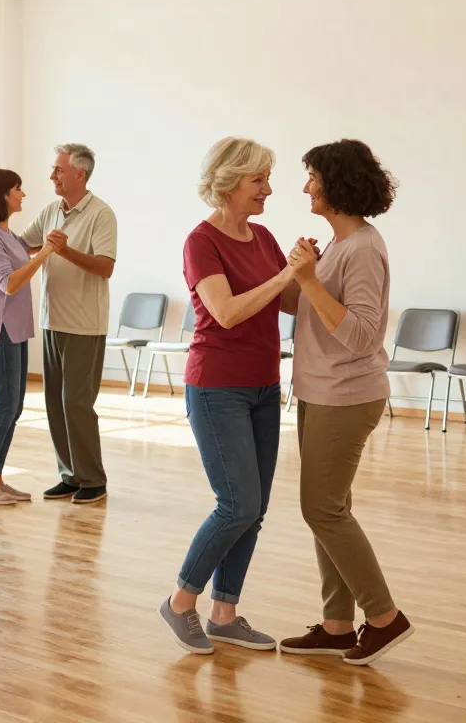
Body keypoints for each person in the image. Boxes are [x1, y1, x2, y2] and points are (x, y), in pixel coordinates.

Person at [158, 137, 306, 655]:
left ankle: (225, 613)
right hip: (217, 385)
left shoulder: (263, 237)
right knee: (236, 502)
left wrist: (307, 272)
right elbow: (226, 311)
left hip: (265, 384)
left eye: (267, 178)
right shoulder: (201, 241)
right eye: (258, 180)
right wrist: (284, 276)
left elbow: (287, 301)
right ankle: (180, 602)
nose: (268, 189)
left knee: (256, 506)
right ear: (228, 182)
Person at [277, 140, 413, 665]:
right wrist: (298, 274)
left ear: (334, 184)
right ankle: (336, 625)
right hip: (318, 389)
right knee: (330, 510)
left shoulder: (362, 248)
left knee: (322, 508)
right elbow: (306, 309)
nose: (305, 186)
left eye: (311, 176)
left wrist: (310, 280)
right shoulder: (337, 246)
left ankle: (383, 617)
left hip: (346, 395)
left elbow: (359, 335)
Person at [20, 144, 116, 505]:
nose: (52, 176)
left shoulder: (101, 214)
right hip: (52, 321)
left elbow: (105, 266)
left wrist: (63, 251)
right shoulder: (50, 212)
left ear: (80, 173)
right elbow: (23, 245)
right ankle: (71, 475)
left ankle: (94, 479)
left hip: (84, 325)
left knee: (77, 403)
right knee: (55, 403)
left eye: (59, 170)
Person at [0, 169, 58, 505]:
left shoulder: (8, 235)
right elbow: (9, 282)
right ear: (3, 195)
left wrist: (44, 249)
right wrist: (45, 254)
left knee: (13, 408)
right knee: (3, 408)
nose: (23, 194)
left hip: (15, 329)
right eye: (18, 189)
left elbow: (23, 258)